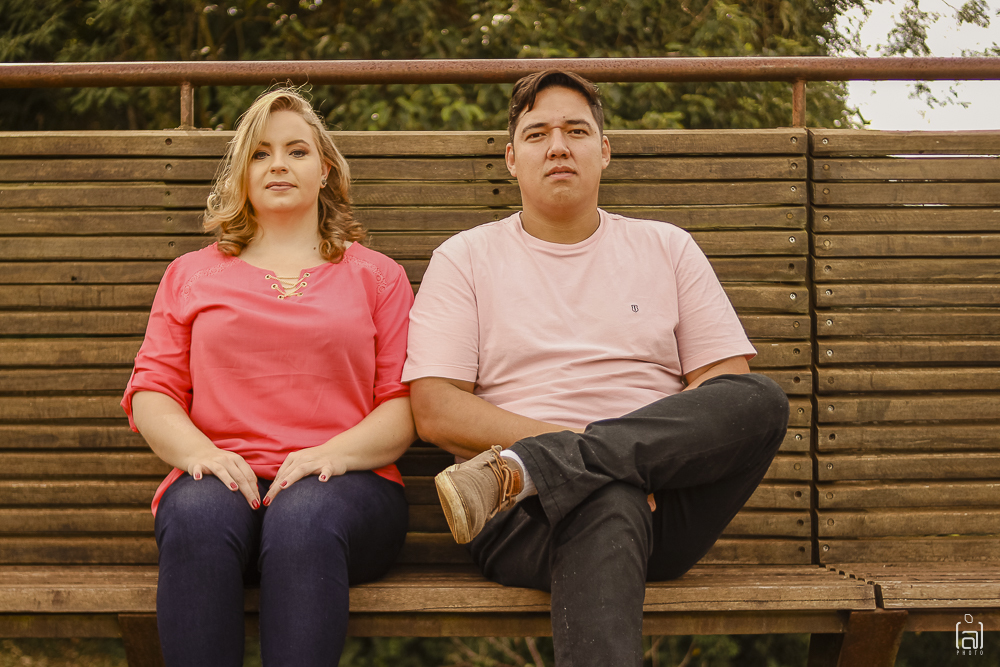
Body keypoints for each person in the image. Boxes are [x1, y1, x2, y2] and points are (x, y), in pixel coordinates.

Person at [402, 70, 790, 666]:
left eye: (576, 131)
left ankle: (532, 468)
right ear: (511, 159)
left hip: (664, 502)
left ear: (604, 150)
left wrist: (636, 464)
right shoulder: (465, 258)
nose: (558, 146)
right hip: (519, 517)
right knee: (608, 501)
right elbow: (435, 408)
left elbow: (725, 386)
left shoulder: (668, 247)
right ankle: (557, 472)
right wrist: (612, 467)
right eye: (537, 134)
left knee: (761, 399)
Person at [121, 88, 414, 667]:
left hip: (348, 488)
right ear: (242, 173)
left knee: (304, 516)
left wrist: (330, 455)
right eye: (260, 153)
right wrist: (201, 454)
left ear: (324, 170)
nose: (278, 164)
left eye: (296, 151)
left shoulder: (378, 277)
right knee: (198, 515)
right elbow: (153, 390)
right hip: (222, 479)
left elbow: (402, 405)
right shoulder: (191, 275)